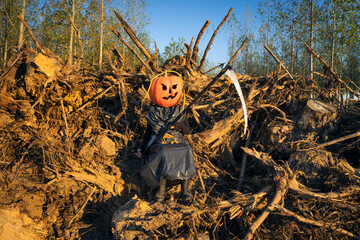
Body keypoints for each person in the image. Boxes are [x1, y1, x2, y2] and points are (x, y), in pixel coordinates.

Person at [135, 72, 196, 202]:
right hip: (160, 143)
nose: (169, 91)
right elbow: (148, 134)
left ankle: (185, 191)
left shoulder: (180, 111)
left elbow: (187, 131)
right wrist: (142, 148)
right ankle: (160, 191)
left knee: (186, 150)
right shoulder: (153, 113)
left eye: (174, 88)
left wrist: (177, 125)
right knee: (163, 152)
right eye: (163, 88)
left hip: (178, 142)